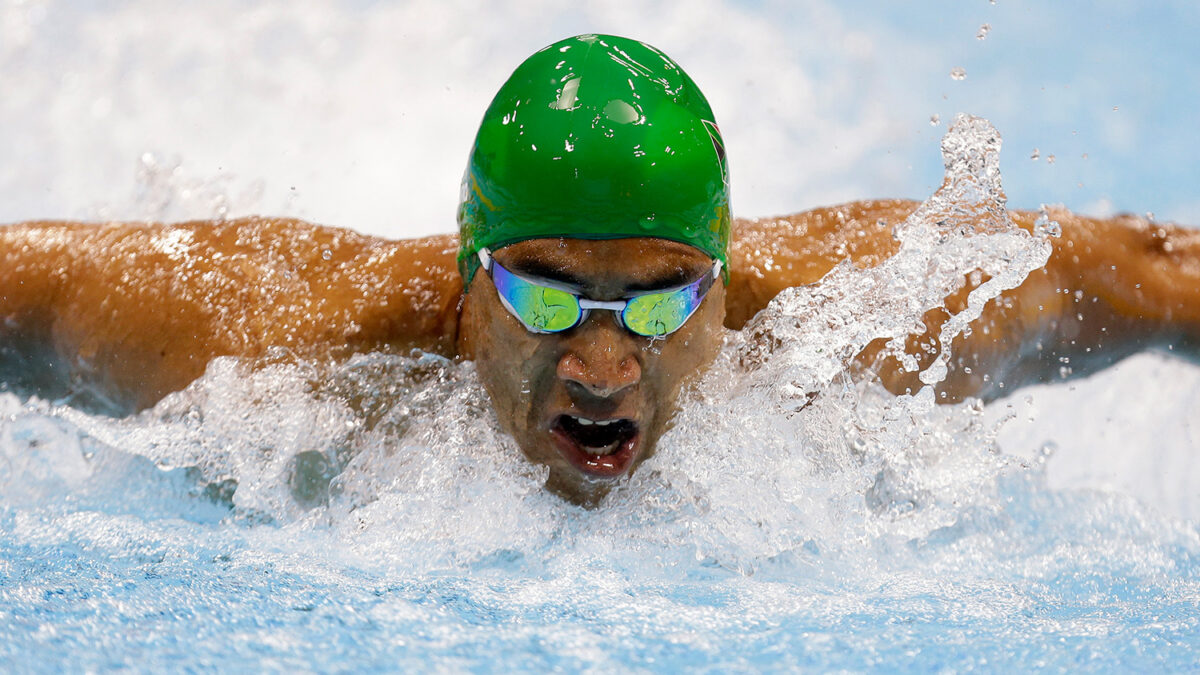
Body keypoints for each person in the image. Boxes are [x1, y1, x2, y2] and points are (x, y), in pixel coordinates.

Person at [1, 34, 1197, 503]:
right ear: (471, 280)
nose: (604, 363)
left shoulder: (874, 318)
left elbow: (1153, 270)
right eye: (546, 293)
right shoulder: (274, 350)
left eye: (663, 299)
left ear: (721, 285)